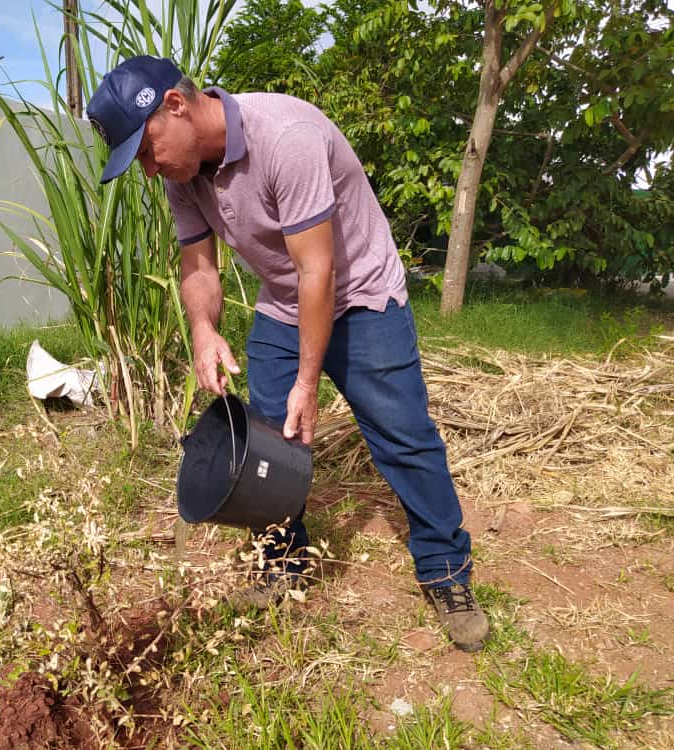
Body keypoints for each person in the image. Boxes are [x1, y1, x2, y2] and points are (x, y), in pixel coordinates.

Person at [86, 56, 489, 651]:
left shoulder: (287, 137)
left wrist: (309, 380)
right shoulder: (183, 174)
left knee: (403, 438)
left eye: (146, 152)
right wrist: (203, 330)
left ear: (175, 105)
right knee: (266, 442)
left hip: (360, 296)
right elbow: (198, 264)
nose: (149, 171)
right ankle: (284, 560)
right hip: (283, 300)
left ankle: (445, 570)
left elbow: (318, 269)